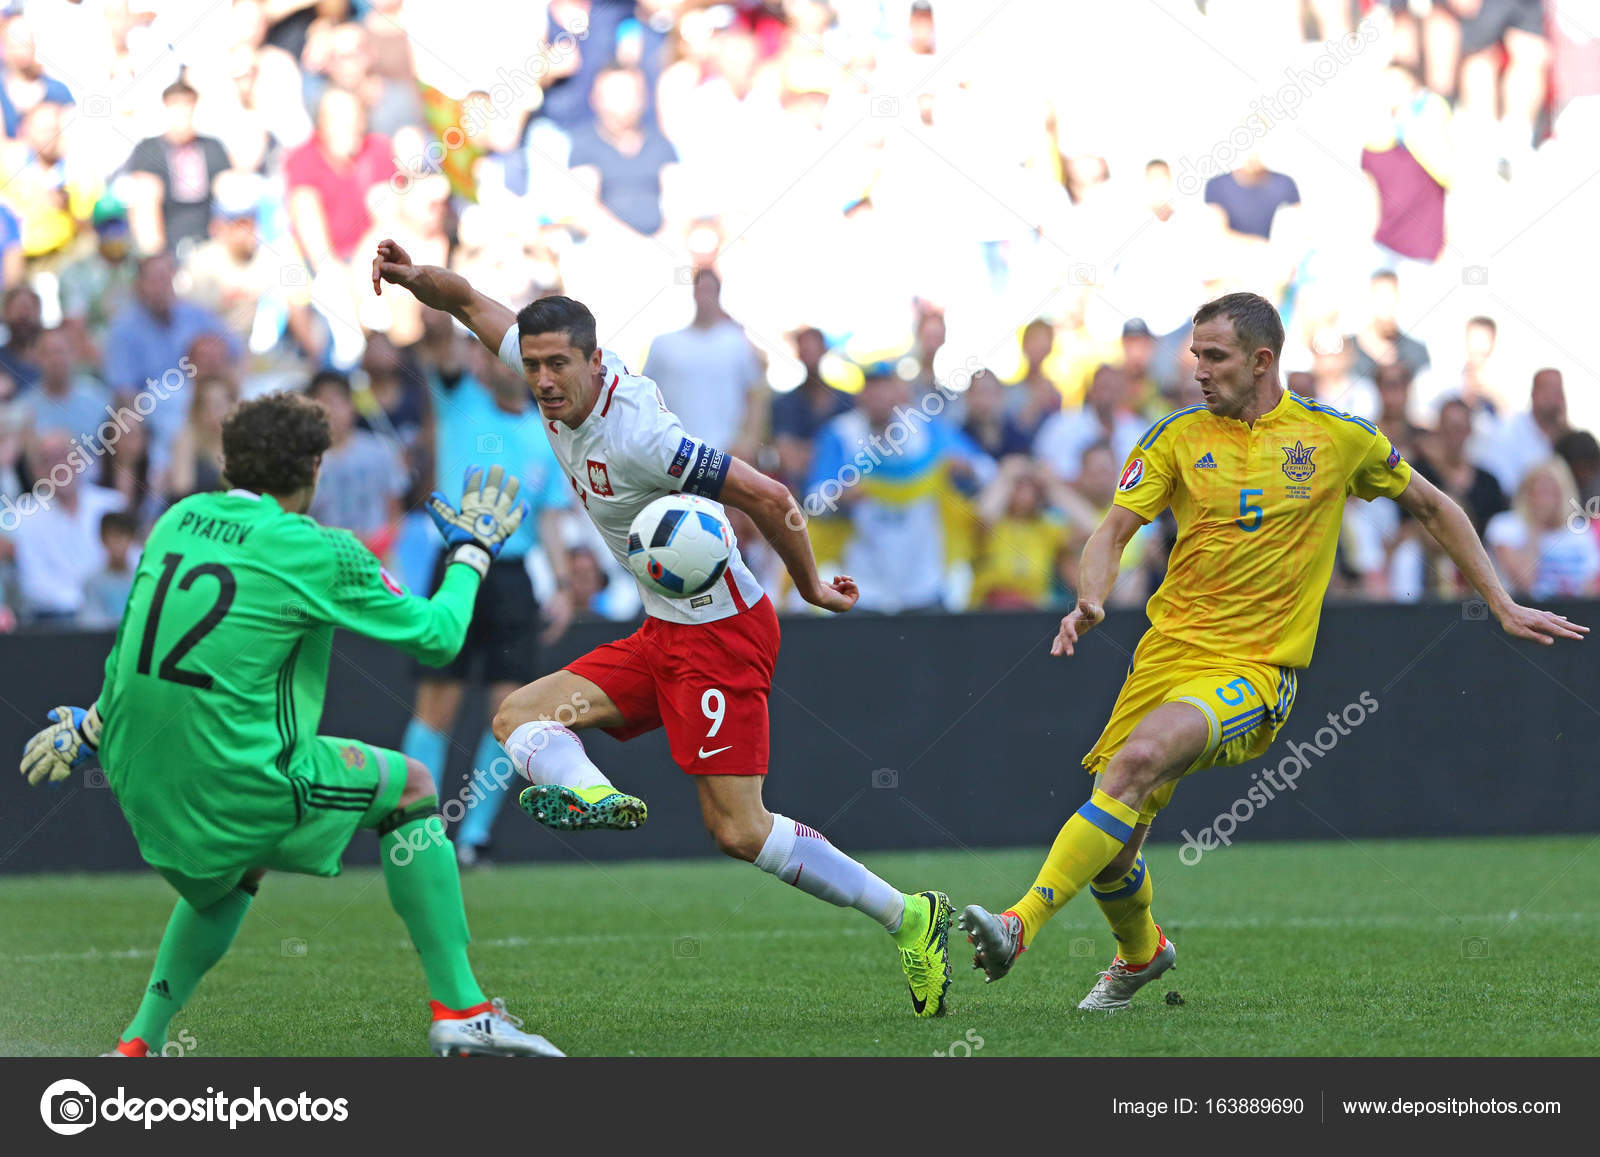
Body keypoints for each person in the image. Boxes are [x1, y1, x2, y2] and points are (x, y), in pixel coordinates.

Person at [373, 238, 957, 1018]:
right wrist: (417, 281)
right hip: (662, 628)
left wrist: (811, 584)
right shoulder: (542, 368)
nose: (542, 380)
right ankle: (589, 793)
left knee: (739, 830)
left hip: (722, 633)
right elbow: (471, 301)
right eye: (533, 363)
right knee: (517, 715)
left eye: (558, 366)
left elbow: (771, 494)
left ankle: (908, 915)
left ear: (595, 360)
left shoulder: (642, 439)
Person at [959, 292, 1586, 1011]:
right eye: (1195, 354)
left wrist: (1500, 602)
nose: (1197, 369)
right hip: (1164, 659)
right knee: (1114, 845)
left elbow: (1434, 505)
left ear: (1262, 361)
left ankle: (1018, 924)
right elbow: (1110, 531)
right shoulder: (1175, 436)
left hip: (1257, 669)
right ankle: (1142, 954)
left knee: (1133, 764)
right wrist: (1090, 598)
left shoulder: (1333, 439)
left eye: (1214, 356)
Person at [18, 392, 561, 1058]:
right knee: (416, 787)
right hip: (238, 779)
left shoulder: (179, 518)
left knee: (236, 865)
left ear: (227, 464)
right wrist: (474, 551)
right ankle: (463, 1010)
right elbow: (441, 636)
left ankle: (139, 1046)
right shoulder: (317, 549)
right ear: (313, 466)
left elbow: (136, 644)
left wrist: (91, 726)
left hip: (135, 769)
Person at [401, 338, 574, 867]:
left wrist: (564, 587)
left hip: (513, 578)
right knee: (437, 706)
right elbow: (439, 333)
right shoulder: (458, 398)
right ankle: (414, 828)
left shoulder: (545, 435)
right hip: (456, 565)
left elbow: (548, 518)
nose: (495, 363)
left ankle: (472, 839)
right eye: (488, 353)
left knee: (508, 716)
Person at [1486, 458, 1600, 599]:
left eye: (1551, 491)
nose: (1545, 500)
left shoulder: (1581, 532)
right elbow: (1525, 583)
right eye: (1539, 492)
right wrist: (1535, 527)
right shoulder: (1504, 527)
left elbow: (1589, 591)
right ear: (1526, 493)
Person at [80, 509, 139, 628]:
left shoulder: (141, 579)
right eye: (113, 537)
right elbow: (91, 624)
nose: (118, 544)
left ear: (131, 539)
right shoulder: (92, 582)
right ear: (103, 540)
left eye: (123, 536)